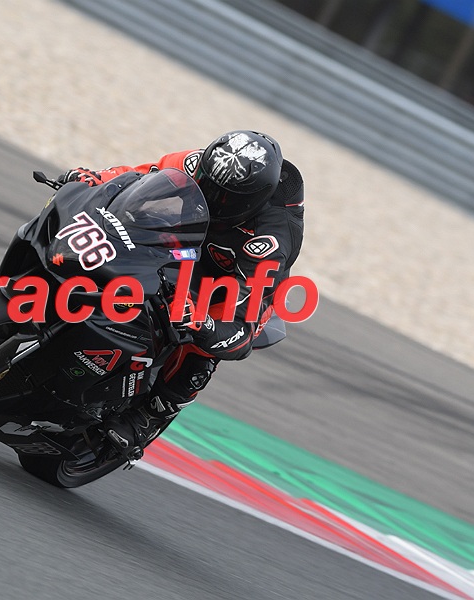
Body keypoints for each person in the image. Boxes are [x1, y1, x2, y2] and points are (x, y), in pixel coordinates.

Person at [58, 130, 305, 461]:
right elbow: (140, 176)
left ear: (251, 201)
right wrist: (95, 179)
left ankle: (149, 416)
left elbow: (241, 329)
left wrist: (204, 324)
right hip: (190, 241)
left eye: (225, 197)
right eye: (208, 184)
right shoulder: (204, 163)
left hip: (236, 284)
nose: (213, 197)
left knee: (204, 342)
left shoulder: (271, 240)